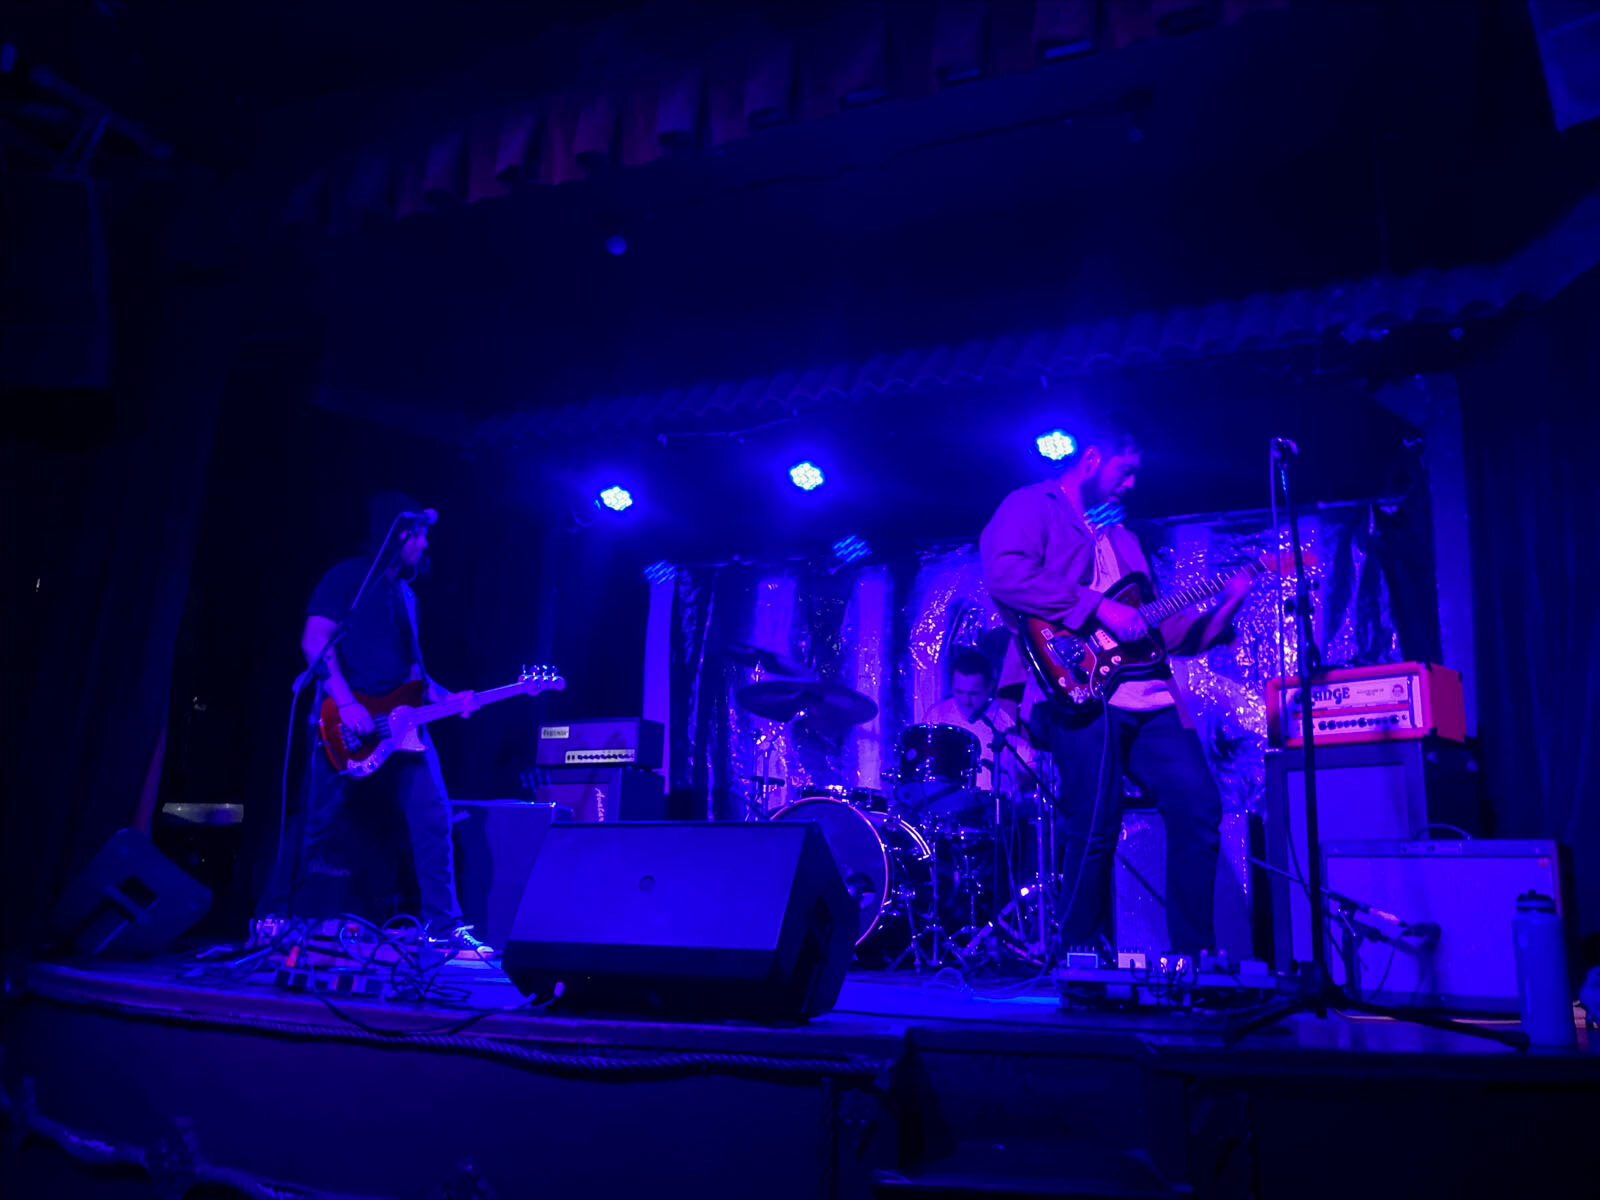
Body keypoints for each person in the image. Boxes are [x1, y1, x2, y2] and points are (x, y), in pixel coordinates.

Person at [979, 414, 1251, 957]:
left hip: (1151, 695)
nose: (1131, 483)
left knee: (1198, 809)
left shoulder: (1124, 538)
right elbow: (1005, 574)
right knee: (1094, 824)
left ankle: (1193, 960)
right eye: (1125, 471)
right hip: (1078, 688)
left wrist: (1227, 606)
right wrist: (1097, 606)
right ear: (1091, 460)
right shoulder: (1032, 505)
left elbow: (1154, 628)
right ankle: (1080, 960)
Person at [257, 492, 492, 959]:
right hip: (342, 723)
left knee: (433, 818)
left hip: (403, 728)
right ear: (398, 534)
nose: (425, 544)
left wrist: (449, 698)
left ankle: (444, 928)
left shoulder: (407, 596)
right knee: (314, 822)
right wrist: (345, 703)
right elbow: (314, 640)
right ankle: (272, 917)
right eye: (419, 534)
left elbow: (414, 676)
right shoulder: (348, 578)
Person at [923, 648, 1034, 796]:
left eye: (973, 694)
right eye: (959, 692)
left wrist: (1011, 777)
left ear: (991, 687)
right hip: (947, 805)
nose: (965, 701)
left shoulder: (1008, 718)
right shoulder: (937, 715)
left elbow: (1037, 773)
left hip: (996, 806)